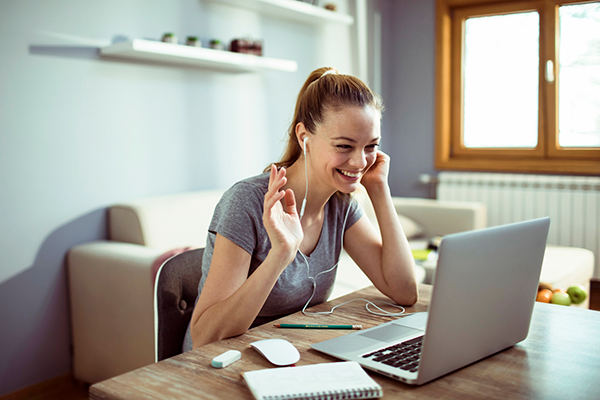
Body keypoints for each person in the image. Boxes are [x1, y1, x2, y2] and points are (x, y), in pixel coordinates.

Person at [183, 67, 418, 351]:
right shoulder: (246, 201)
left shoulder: (340, 205)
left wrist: (380, 190)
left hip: (289, 353)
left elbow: (404, 291)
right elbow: (205, 336)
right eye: (344, 146)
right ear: (304, 136)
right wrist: (280, 254)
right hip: (221, 363)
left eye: (371, 146)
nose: (359, 162)